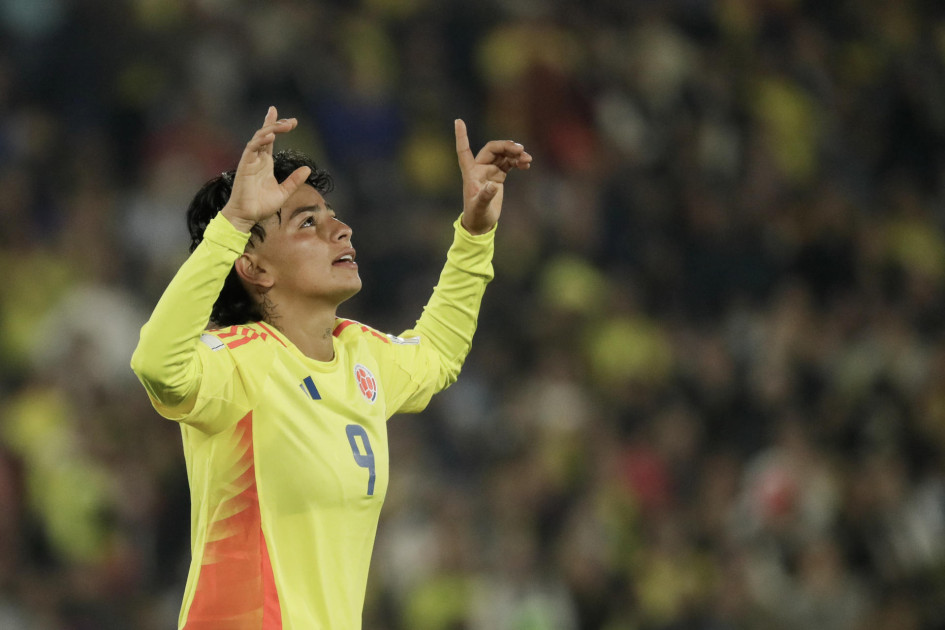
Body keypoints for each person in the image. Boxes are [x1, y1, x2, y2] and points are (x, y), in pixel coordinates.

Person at [130, 106, 531, 630]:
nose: (341, 230)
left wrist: (474, 235)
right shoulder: (240, 360)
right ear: (253, 266)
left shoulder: (359, 355)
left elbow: (436, 356)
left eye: (331, 216)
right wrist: (233, 223)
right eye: (307, 222)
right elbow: (157, 366)